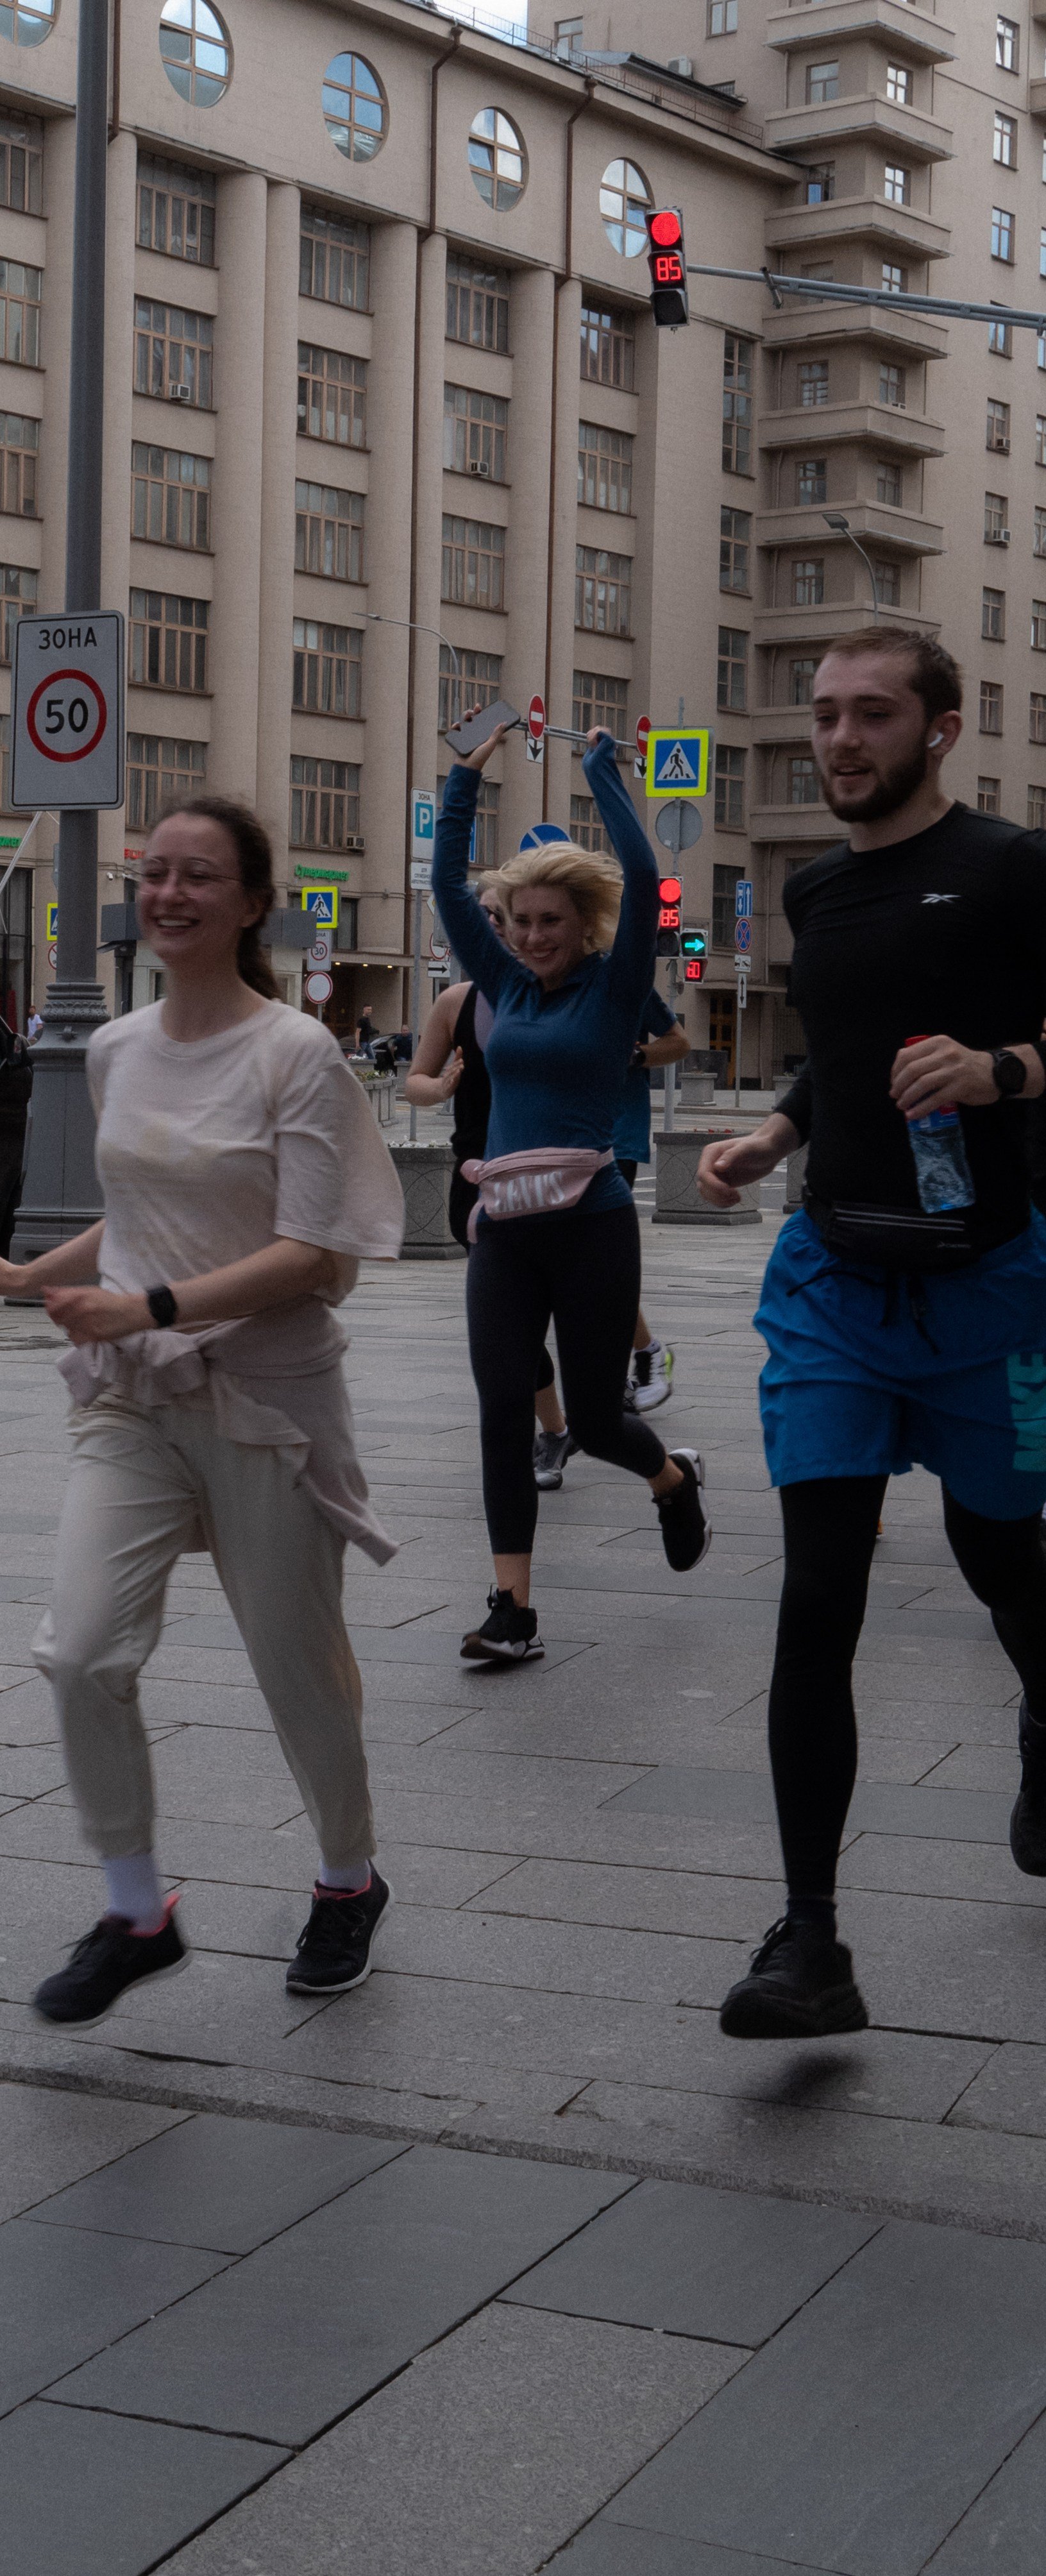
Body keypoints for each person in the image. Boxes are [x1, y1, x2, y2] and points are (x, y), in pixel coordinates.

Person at [0, 792, 405, 2028]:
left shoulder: (294, 1054)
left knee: (298, 1671)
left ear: (253, 903)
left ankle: (347, 1879)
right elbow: (142, 1205)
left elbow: (314, 1253)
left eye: (199, 876)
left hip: (268, 1396)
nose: (168, 894)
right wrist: (34, 1274)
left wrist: (144, 1304)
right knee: (82, 1648)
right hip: (135, 1399)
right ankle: (136, 1909)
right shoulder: (116, 1047)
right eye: (154, 874)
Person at [696, 629, 1046, 2040]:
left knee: (999, 1550)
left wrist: (1002, 1067)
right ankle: (812, 1938)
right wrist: (773, 1130)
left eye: (872, 715)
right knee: (817, 1596)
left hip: (988, 1287)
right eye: (825, 715)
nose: (839, 738)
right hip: (834, 1283)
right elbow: (838, 1061)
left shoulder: (1016, 867)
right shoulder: (820, 889)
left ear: (942, 730)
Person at [433, 720, 711, 1665]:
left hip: (592, 1230)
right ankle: (512, 1608)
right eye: (521, 923)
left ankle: (671, 1479)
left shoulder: (617, 979)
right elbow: (444, 886)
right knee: (504, 1407)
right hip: (506, 1231)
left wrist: (603, 778)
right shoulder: (502, 988)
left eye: (551, 922)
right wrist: (466, 778)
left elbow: (642, 877)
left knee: (595, 1420)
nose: (533, 937)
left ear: (582, 927)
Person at [405, 876, 571, 1489]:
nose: (492, 927)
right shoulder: (458, 1003)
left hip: (554, 1180)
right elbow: (414, 1083)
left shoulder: (559, 996)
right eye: (482, 917)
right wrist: (443, 1086)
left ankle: (584, 1418)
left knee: (541, 1321)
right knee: (514, 1326)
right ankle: (551, 1432)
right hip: (480, 1182)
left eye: (502, 916)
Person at [609, 990, 690, 1411]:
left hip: (613, 1137)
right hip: (553, 1131)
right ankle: (642, 1354)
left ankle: (643, 1357)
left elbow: (678, 1041)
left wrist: (635, 1056)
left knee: (600, 1260)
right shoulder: (529, 976)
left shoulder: (623, 977)